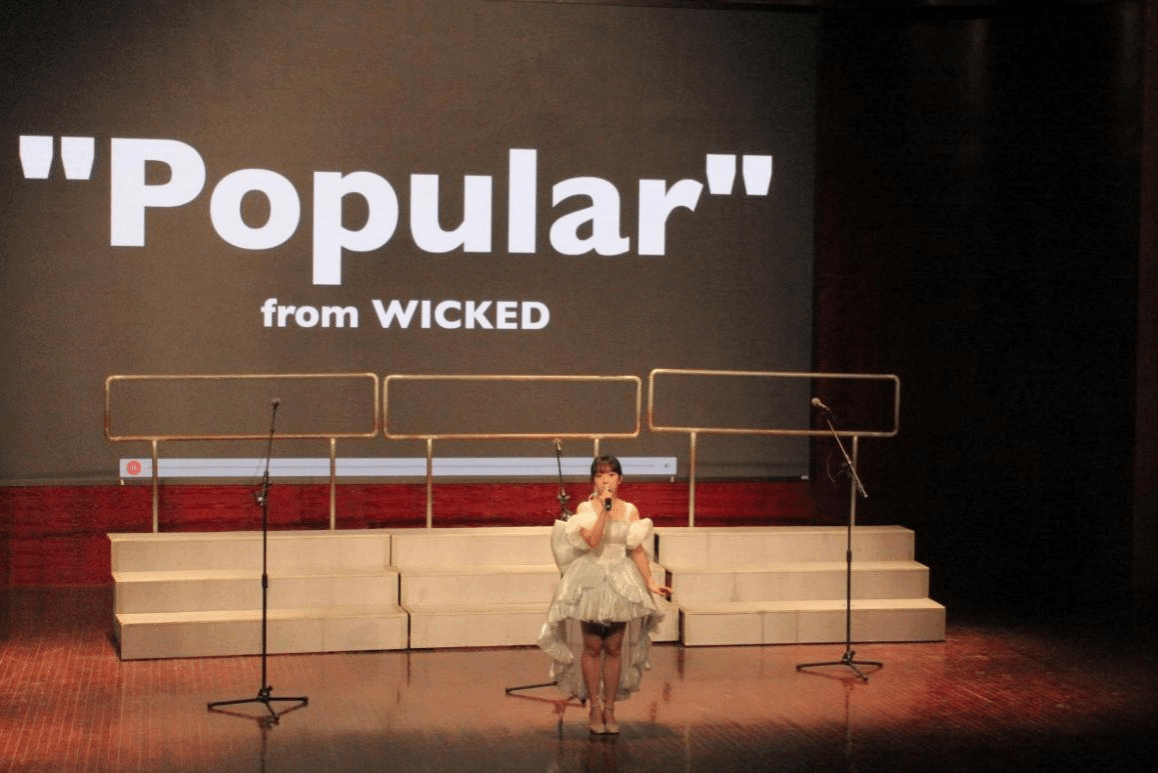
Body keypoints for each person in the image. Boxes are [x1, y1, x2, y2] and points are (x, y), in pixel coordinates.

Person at [537, 455, 671, 735]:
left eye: (610, 474)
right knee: (592, 646)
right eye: (599, 475)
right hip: (591, 578)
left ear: (620, 479)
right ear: (593, 480)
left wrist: (650, 582)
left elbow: (636, 548)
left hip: (621, 580)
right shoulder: (585, 508)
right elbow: (593, 541)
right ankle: (594, 706)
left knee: (614, 647)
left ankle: (610, 707)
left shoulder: (631, 510)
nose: (605, 480)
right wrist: (605, 511)